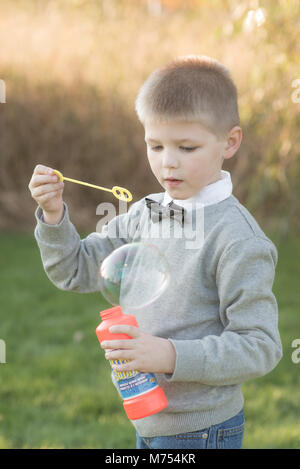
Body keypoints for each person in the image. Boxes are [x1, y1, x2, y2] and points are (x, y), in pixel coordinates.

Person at [28, 55, 282, 449]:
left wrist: (167, 355)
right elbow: (75, 269)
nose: (168, 162)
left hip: (202, 430)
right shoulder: (146, 212)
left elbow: (259, 346)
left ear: (229, 142)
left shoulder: (238, 239)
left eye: (187, 147)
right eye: (155, 145)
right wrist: (53, 215)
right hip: (147, 417)